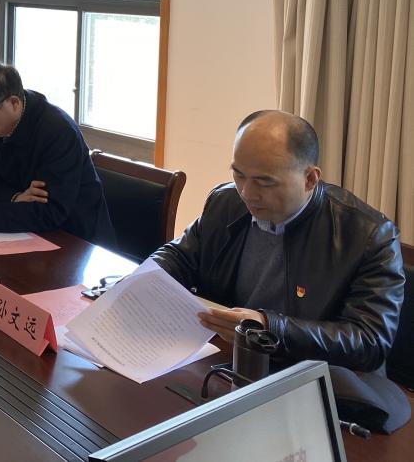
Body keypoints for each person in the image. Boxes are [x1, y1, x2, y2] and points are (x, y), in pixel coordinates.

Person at [150, 110, 405, 373]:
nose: (247, 193)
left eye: (264, 182)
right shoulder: (226, 201)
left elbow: (369, 342)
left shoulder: (369, 236)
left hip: (310, 376)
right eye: (239, 175)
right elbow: (180, 256)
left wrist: (270, 328)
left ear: (309, 179)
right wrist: (143, 280)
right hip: (227, 359)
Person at [0, 61, 115, 248]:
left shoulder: (57, 132)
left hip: (78, 241)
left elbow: (50, 211)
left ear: (14, 103)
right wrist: (15, 197)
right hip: (22, 232)